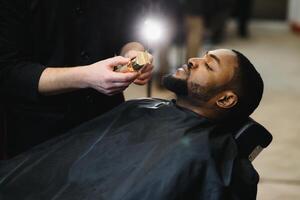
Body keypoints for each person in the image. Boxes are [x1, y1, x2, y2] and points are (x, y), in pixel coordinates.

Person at [0, 49, 264, 199]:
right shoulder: (141, 107)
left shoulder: (200, 157)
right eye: (202, 56)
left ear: (226, 99)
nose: (194, 60)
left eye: (209, 64)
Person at [0, 0, 153, 158]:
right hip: (40, 135)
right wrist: (86, 77)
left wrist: (133, 51)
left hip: (107, 121)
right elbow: (8, 71)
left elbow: (129, 31)